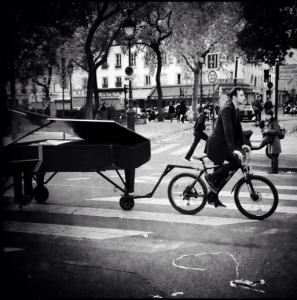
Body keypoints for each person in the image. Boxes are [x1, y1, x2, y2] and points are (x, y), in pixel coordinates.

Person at [204, 86, 251, 207]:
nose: (243, 97)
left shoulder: (234, 109)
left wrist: (245, 143)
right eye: (241, 95)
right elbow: (228, 130)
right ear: (234, 97)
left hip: (223, 145)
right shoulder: (226, 109)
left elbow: (238, 129)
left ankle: (213, 197)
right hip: (217, 145)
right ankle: (209, 177)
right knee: (232, 165)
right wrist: (234, 149)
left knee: (229, 168)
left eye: (243, 95)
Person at [253, 110, 281, 174]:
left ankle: (274, 170)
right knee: (273, 156)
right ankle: (273, 169)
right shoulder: (270, 121)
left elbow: (277, 131)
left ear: (271, 115)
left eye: (269, 115)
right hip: (272, 140)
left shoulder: (274, 122)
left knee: (274, 156)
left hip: (275, 141)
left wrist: (267, 131)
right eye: (267, 114)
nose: (267, 116)